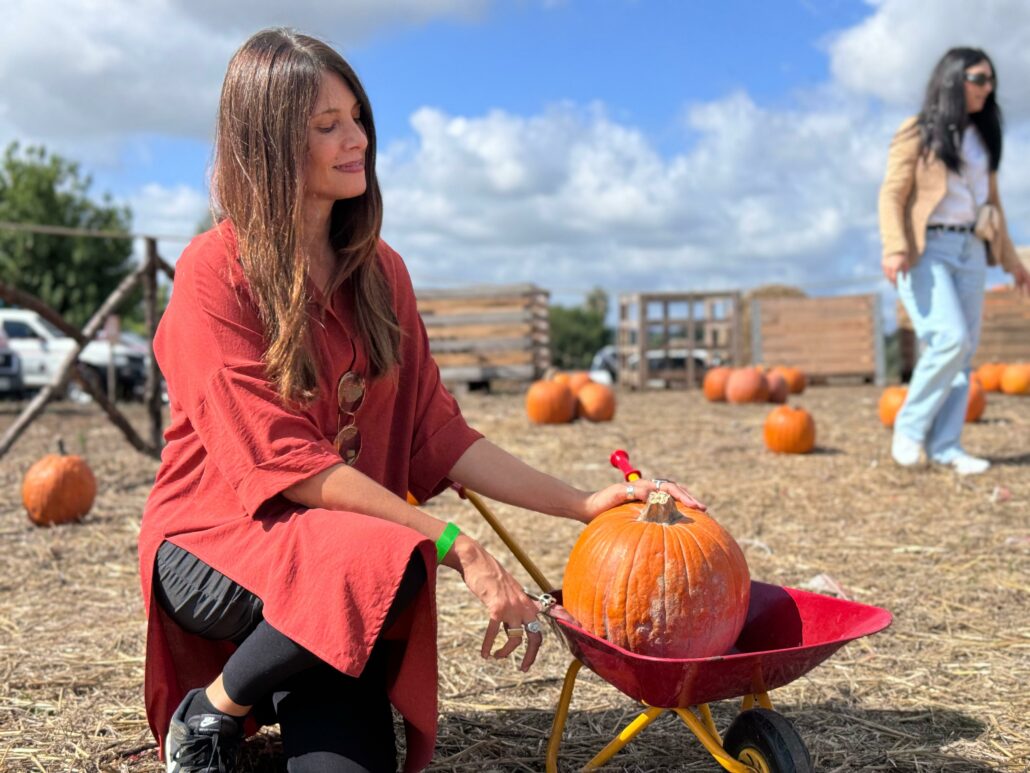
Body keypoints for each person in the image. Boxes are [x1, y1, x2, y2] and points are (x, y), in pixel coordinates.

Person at [138, 28, 707, 773]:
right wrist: (452, 545)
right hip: (216, 548)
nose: (357, 140)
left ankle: (262, 693)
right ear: (271, 144)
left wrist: (583, 503)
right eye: (326, 125)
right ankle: (213, 707)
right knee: (398, 547)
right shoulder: (213, 273)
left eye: (358, 117)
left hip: (341, 572)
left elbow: (439, 435)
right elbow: (288, 466)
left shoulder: (382, 273)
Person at [878, 46, 1030, 476]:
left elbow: (992, 204)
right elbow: (892, 193)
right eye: (980, 79)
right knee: (949, 338)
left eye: (992, 80)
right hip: (928, 249)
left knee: (962, 353)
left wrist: (1013, 262)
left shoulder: (983, 139)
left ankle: (946, 445)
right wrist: (894, 246)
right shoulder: (917, 132)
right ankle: (909, 427)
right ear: (953, 79)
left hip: (970, 249)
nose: (989, 88)